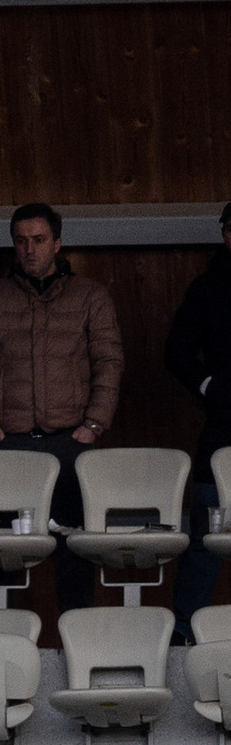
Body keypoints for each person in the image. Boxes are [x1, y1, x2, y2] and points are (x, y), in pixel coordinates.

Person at [0, 202, 122, 614]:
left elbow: (109, 361)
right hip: (8, 443)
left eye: (39, 240)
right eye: (21, 241)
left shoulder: (90, 296)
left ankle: (75, 640)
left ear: (58, 243)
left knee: (75, 552)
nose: (29, 249)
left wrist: (94, 424)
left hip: (70, 440)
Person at [165, 199, 231, 635]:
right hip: (223, 430)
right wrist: (211, 386)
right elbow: (176, 351)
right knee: (206, 540)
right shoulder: (208, 287)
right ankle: (185, 637)